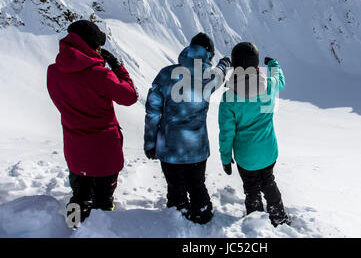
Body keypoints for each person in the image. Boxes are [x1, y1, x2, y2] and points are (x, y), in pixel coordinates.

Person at [47, 20, 138, 223]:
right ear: (91, 45)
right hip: (104, 154)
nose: (100, 51)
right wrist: (118, 67)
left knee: (79, 196)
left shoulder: (52, 72)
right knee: (103, 202)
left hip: (75, 151)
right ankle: (99, 231)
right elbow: (130, 96)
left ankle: (71, 229)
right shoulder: (100, 75)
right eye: (98, 46)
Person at [144, 32, 231, 225]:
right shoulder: (210, 77)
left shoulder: (166, 74)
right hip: (197, 149)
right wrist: (225, 62)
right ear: (209, 55)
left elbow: (152, 111)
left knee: (176, 189)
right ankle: (202, 215)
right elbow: (222, 72)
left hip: (169, 148)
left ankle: (177, 220)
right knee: (197, 186)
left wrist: (150, 142)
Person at [218, 42, 290, 227]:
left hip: (246, 157)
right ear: (257, 64)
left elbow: (226, 133)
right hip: (268, 152)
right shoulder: (269, 87)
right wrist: (274, 64)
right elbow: (280, 80)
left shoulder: (229, 99)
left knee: (251, 188)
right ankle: (279, 217)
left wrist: (226, 158)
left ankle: (256, 222)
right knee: (269, 182)